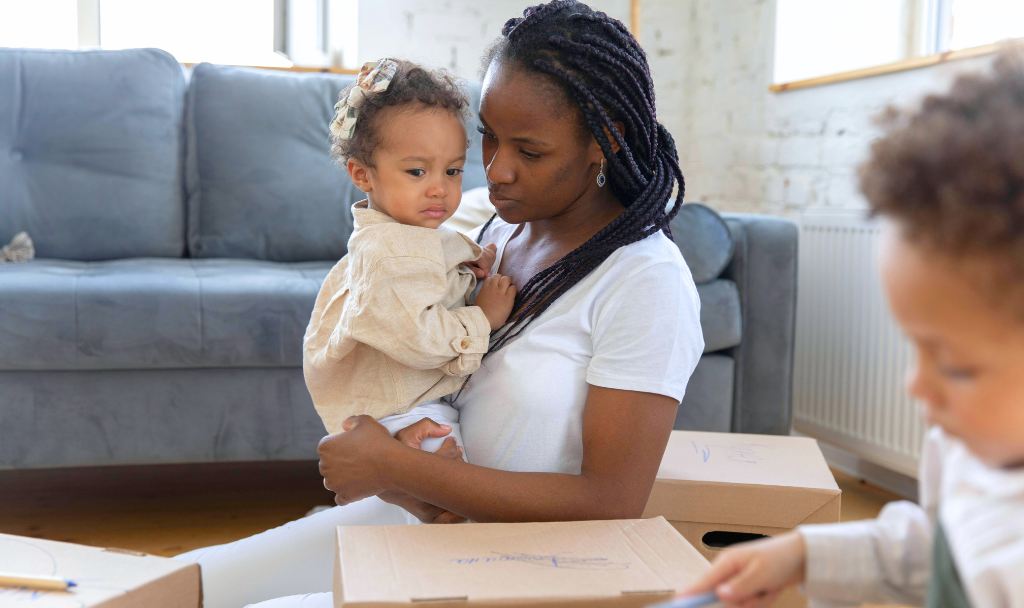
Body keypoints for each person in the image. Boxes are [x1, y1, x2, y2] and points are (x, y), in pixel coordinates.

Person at [174, 3, 703, 607]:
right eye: (488, 137)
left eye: (529, 152)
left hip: (507, 570)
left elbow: (611, 504)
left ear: (605, 142)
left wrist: (395, 470)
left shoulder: (646, 282)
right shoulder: (502, 232)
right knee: (174, 589)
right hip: (421, 520)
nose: (496, 171)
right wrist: (399, 466)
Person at [683, 53, 1024, 608]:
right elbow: (935, 548)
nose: (916, 386)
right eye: (915, 347)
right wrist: (803, 555)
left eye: (959, 366)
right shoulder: (965, 445)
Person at [304, 57, 517, 454]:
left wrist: (469, 260)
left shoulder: (407, 233)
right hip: (397, 411)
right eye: (417, 172)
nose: (439, 188)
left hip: (414, 401)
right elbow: (418, 338)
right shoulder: (389, 253)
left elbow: (434, 259)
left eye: (452, 171)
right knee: (451, 480)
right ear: (362, 175)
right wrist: (482, 318)